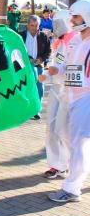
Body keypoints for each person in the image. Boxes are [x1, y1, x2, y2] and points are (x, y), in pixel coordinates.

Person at [44, 0, 90, 203]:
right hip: (71, 97)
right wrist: (56, 70)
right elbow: (69, 68)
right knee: (64, 133)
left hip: (85, 99)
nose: (71, 21)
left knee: (78, 143)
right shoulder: (76, 41)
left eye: (76, 17)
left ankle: (72, 189)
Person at [42, 10, 76, 179]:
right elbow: (54, 64)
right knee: (51, 128)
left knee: (64, 129)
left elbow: (74, 68)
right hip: (56, 89)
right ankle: (56, 165)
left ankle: (71, 163)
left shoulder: (76, 42)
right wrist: (46, 73)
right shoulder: (57, 43)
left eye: (58, 23)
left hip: (69, 90)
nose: (55, 27)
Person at [20, 15, 51, 120]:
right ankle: (26, 110)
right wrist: (27, 58)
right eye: (31, 25)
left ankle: (36, 110)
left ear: (39, 25)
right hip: (24, 67)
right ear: (28, 25)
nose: (34, 27)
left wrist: (41, 59)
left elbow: (48, 51)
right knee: (25, 88)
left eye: (36, 25)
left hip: (39, 66)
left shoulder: (43, 36)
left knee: (39, 88)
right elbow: (17, 51)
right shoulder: (21, 36)